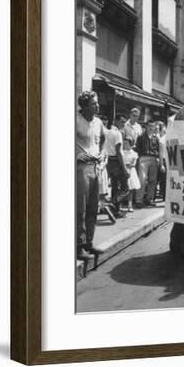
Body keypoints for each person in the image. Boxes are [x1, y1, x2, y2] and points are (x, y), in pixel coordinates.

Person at [76, 91, 105, 260]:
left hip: (95, 167)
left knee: (93, 208)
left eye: (97, 102)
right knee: (81, 208)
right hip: (81, 168)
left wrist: (101, 153)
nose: (97, 105)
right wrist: (75, 155)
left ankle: (89, 243)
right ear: (85, 106)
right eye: (94, 103)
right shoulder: (75, 120)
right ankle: (78, 246)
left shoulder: (99, 122)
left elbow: (102, 140)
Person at [104, 114, 129, 216]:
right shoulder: (117, 133)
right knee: (125, 188)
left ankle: (116, 210)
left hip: (109, 161)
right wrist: (124, 168)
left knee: (115, 187)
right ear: (116, 121)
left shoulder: (107, 132)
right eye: (122, 122)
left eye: (124, 122)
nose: (123, 124)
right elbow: (119, 152)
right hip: (116, 162)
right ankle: (113, 204)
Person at [135, 120, 161, 208]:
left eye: (152, 126)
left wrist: (157, 159)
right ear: (146, 127)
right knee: (142, 179)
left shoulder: (155, 138)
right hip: (144, 158)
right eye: (149, 126)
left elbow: (158, 149)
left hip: (153, 158)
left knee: (152, 180)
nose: (151, 128)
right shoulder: (141, 136)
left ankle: (150, 199)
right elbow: (137, 148)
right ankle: (139, 200)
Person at [122, 137, 140, 212]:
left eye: (126, 143)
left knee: (130, 189)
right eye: (124, 143)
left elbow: (133, 163)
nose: (125, 145)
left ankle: (130, 205)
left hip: (131, 171)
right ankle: (120, 205)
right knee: (123, 188)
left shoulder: (134, 153)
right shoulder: (122, 152)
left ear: (130, 144)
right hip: (123, 171)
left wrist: (129, 165)